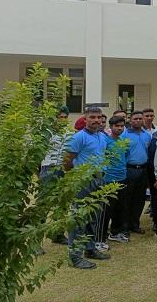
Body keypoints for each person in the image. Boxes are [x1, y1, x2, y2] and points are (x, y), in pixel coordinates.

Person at [64, 106, 109, 269]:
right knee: (79, 218)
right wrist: (75, 178)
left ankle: (90, 249)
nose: (96, 120)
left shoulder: (101, 136)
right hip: (83, 181)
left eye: (99, 117)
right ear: (85, 118)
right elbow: (68, 160)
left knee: (93, 217)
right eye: (92, 117)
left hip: (98, 180)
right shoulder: (79, 137)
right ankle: (75, 256)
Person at [39, 106, 72, 245]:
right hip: (48, 168)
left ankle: (57, 234)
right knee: (44, 205)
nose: (63, 120)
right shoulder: (46, 133)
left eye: (65, 117)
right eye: (60, 117)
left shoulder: (68, 133)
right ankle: (36, 240)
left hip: (63, 169)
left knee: (62, 203)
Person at [102, 116, 131, 244]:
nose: (119, 128)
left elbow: (125, 156)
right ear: (111, 126)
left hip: (122, 177)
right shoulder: (105, 141)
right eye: (117, 126)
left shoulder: (123, 140)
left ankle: (116, 232)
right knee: (107, 209)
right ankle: (102, 235)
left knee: (120, 208)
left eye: (121, 126)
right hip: (108, 179)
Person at [125, 110, 152, 235]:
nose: (138, 121)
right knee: (127, 198)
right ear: (130, 120)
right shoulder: (125, 134)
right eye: (135, 119)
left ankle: (135, 224)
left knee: (140, 199)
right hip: (129, 169)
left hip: (143, 170)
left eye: (140, 119)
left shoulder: (147, 134)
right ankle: (124, 225)